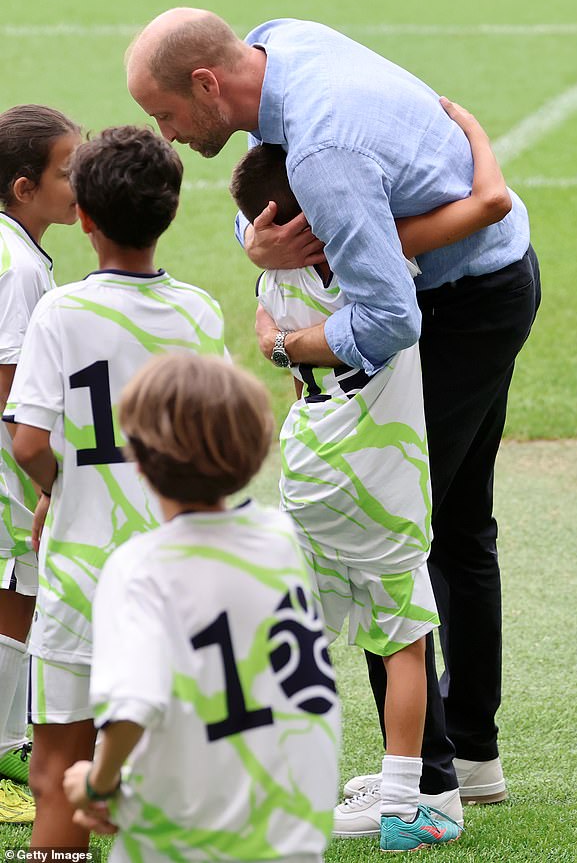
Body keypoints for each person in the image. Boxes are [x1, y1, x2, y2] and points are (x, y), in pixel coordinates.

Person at [126, 8, 541, 835]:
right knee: (458, 527)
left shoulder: (323, 152)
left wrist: (287, 345)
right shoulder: (282, 39)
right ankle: (473, 757)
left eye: (165, 114)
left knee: (391, 532)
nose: (165, 136)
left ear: (208, 83)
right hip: (494, 277)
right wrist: (258, 242)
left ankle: (422, 788)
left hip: (458, 308)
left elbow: (388, 317)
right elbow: (265, 183)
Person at [3, 125, 226, 849]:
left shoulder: (60, 311)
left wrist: (52, 491)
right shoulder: (199, 313)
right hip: (173, 574)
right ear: (169, 211)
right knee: (170, 761)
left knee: (59, 762)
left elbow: (29, 440)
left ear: (86, 219)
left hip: (79, 573)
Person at [62, 352, 340, 863]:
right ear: (254, 450)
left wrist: (97, 785)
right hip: (292, 839)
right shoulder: (280, 541)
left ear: (139, 460)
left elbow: (131, 708)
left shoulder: (140, 568)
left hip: (184, 842)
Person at [0, 104, 81, 824]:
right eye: (67, 170)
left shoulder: (13, 248)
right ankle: (3, 751)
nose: (80, 179)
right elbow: (11, 390)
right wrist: (43, 479)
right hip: (6, 477)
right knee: (16, 601)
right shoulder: (20, 267)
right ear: (25, 188)